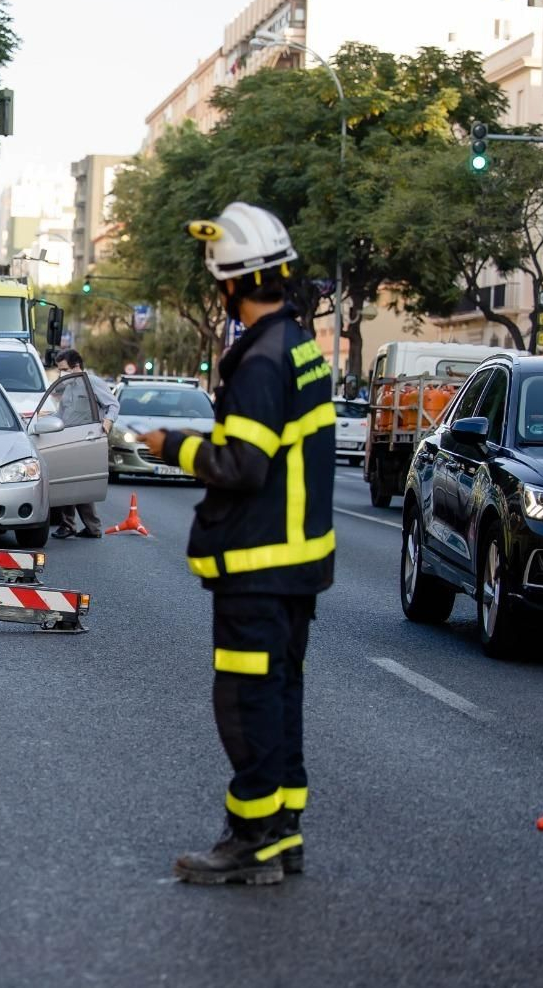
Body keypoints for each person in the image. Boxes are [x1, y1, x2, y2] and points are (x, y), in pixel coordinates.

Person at [136, 202, 335, 886]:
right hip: (296, 567)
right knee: (280, 699)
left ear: (229, 284)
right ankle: (283, 837)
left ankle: (253, 841)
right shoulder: (301, 347)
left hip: (258, 566)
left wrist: (171, 446)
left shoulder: (260, 361)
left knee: (248, 705)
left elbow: (241, 466)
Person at [51, 349, 120, 540]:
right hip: (67, 439)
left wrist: (107, 423)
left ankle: (86, 526)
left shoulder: (92, 382)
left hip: (87, 440)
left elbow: (113, 405)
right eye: (59, 370)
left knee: (82, 485)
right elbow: (62, 414)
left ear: (76, 367)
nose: (61, 373)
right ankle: (80, 526)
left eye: (64, 369)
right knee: (67, 483)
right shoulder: (68, 386)